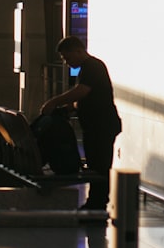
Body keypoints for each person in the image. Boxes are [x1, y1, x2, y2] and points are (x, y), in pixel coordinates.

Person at [39, 36, 122, 211]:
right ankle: (95, 201)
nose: (66, 62)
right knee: (95, 164)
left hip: (102, 126)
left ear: (78, 50)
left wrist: (54, 102)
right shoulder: (88, 68)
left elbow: (82, 91)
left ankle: (98, 203)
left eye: (67, 57)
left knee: (99, 166)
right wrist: (70, 108)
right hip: (96, 126)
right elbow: (87, 97)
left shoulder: (93, 66)